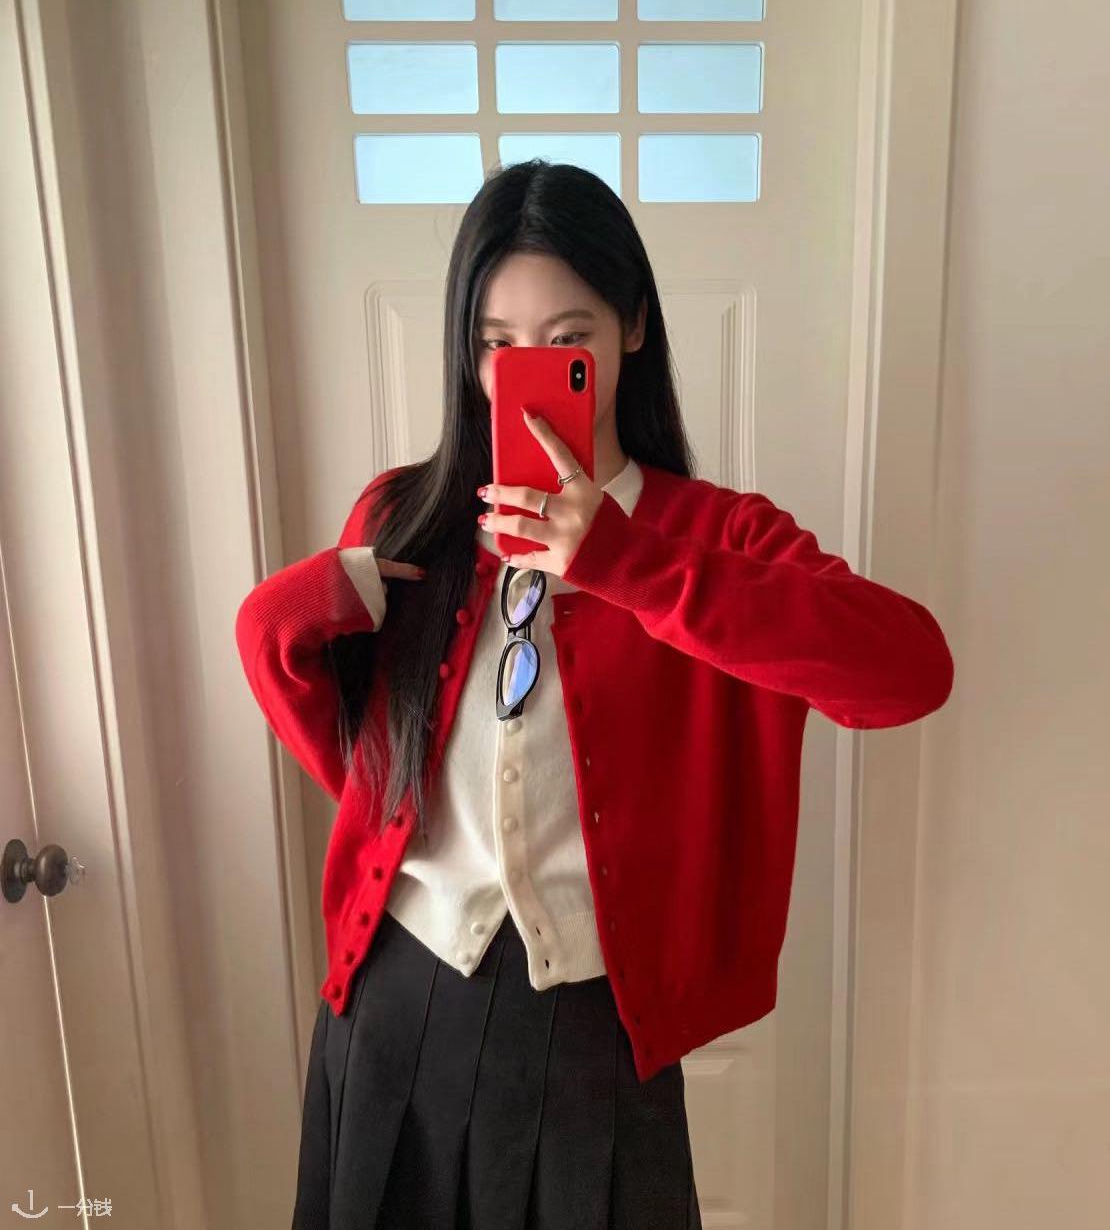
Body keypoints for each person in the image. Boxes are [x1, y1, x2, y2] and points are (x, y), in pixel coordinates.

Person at [234, 159, 955, 1230]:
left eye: (566, 340)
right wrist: (303, 600)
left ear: (633, 327)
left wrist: (629, 565)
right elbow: (351, 751)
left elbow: (909, 671)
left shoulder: (716, 536)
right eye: (496, 342)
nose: (525, 370)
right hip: (391, 1007)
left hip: (592, 1035)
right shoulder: (405, 516)